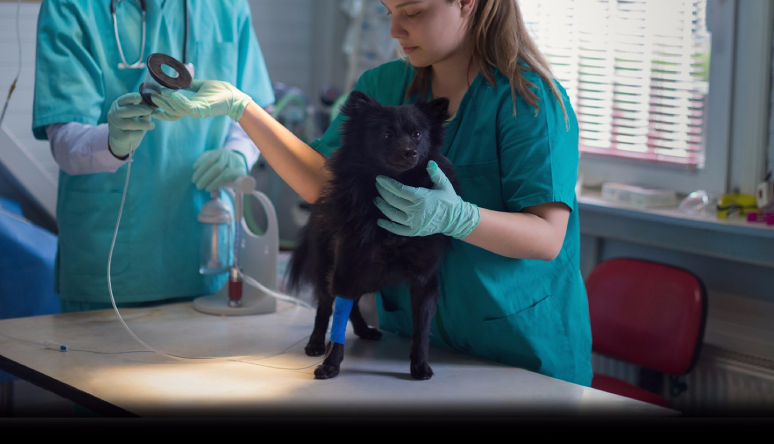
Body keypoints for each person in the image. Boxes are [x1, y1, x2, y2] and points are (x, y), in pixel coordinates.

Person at [151, 0, 592, 386]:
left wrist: (459, 217)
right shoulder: (386, 87)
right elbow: (324, 182)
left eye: (412, 12)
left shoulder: (529, 101)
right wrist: (241, 107)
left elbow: (547, 237)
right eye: (388, 12)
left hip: (517, 355)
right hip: (410, 349)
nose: (395, 30)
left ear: (466, 2)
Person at [32, 0, 274, 312]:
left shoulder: (225, 6)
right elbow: (62, 137)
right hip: (110, 262)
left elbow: (255, 109)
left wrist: (238, 152)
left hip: (205, 254)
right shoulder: (72, 6)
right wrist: (111, 141)